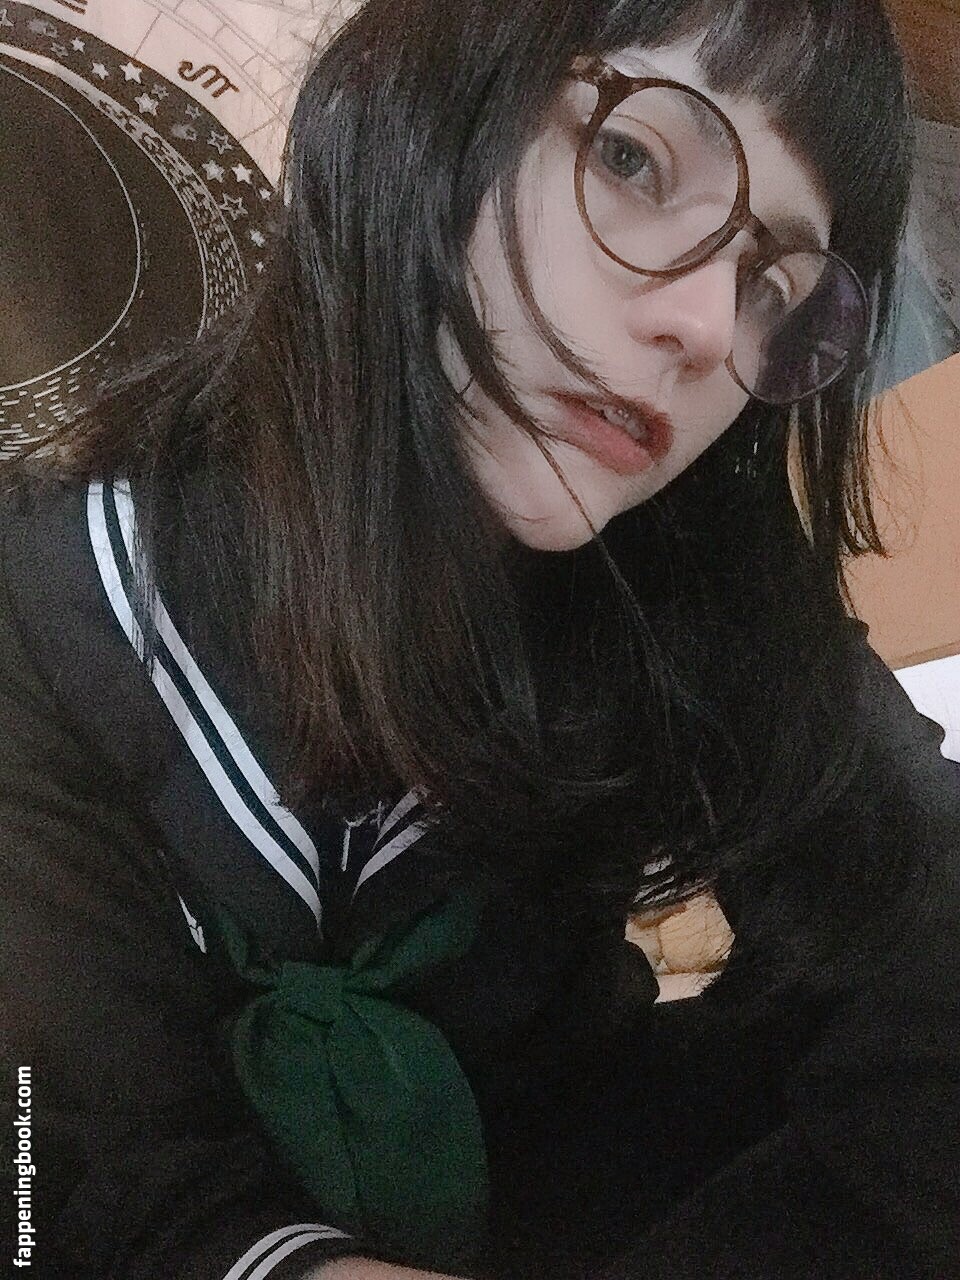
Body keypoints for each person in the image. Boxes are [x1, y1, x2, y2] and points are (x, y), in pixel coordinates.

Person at [2, 1, 958, 1277]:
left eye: (771, 288)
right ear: (417, 101)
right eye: (634, 160)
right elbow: (72, 1184)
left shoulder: (672, 562)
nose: (705, 327)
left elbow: (908, 869)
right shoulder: (51, 617)